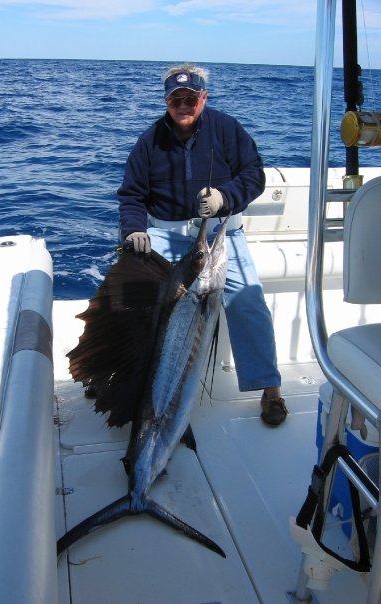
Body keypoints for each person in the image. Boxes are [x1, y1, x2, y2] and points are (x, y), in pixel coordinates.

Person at [117, 63, 287, 427]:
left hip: (222, 233)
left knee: (248, 301)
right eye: (176, 99)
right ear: (166, 101)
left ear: (203, 98)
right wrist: (134, 230)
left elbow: (254, 175)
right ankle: (123, 379)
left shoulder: (227, 129)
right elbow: (131, 194)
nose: (183, 105)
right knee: (133, 298)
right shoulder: (149, 140)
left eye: (190, 98)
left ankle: (269, 388)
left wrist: (226, 197)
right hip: (166, 233)